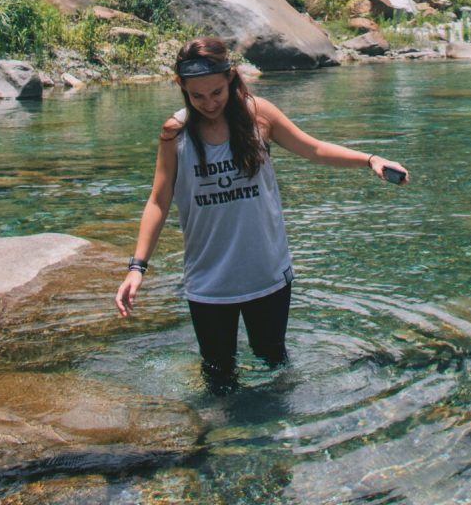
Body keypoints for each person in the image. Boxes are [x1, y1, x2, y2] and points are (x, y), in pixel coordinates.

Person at [115, 35, 409, 387]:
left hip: (267, 274)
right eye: (197, 96)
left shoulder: (259, 116)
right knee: (218, 377)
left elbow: (313, 149)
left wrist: (370, 160)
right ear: (182, 88)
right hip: (209, 281)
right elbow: (158, 201)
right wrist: (137, 269)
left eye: (216, 93)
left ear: (231, 79)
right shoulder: (174, 133)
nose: (209, 103)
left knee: (275, 364)